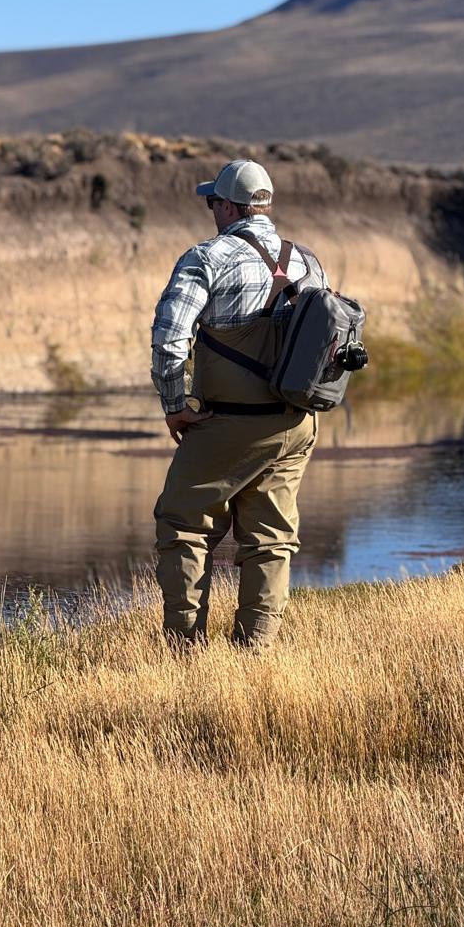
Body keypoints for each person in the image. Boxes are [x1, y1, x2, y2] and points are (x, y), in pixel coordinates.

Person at [150, 158, 328, 649]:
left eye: (213, 202)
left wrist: (173, 404)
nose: (211, 210)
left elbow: (169, 341)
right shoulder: (308, 262)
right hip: (295, 423)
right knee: (270, 540)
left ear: (229, 205)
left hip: (227, 422)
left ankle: (184, 649)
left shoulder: (206, 258)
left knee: (184, 524)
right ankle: (256, 651)